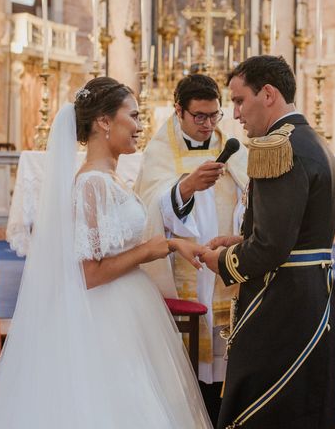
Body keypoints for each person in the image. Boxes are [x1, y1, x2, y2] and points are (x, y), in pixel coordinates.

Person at [0, 77, 212, 428]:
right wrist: (149, 251)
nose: (139, 125)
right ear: (104, 121)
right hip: (105, 312)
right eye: (132, 116)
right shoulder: (91, 184)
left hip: (129, 305)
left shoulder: (111, 177)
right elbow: (91, 273)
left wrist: (174, 243)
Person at [200, 56, 335, 429]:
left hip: (281, 299)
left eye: (239, 100)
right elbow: (296, 232)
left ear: (267, 94)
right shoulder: (314, 142)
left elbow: (271, 249)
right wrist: (243, 238)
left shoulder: (277, 147)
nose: (235, 113)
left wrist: (221, 259)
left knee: (266, 408)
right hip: (315, 291)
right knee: (303, 404)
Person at [134, 74, 248, 423]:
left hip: (225, 266)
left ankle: (220, 412)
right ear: (178, 111)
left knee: (223, 360)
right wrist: (185, 188)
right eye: (199, 116)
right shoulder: (159, 150)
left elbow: (249, 196)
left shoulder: (232, 146)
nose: (207, 124)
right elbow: (149, 206)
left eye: (214, 115)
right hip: (184, 268)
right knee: (188, 368)